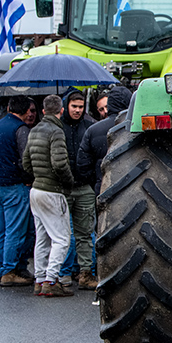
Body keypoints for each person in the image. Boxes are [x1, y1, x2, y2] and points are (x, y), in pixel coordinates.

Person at [24, 94, 76, 297]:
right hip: (52, 192)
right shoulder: (56, 132)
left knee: (42, 238)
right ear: (61, 111)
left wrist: (38, 174)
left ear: (43, 111)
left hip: (35, 190)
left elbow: (26, 162)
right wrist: (69, 182)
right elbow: (60, 164)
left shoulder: (34, 130)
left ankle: (39, 279)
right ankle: (51, 281)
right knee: (62, 239)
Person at [0, 96, 37, 286]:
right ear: (25, 111)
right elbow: (25, 159)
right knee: (15, 230)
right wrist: (28, 179)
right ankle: (9, 271)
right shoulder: (20, 129)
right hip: (14, 185)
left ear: (8, 107)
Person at [60, 90, 97, 288]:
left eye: (81, 107)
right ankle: (64, 273)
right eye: (74, 106)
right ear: (66, 106)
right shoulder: (58, 128)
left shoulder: (89, 127)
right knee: (64, 234)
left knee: (84, 233)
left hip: (84, 187)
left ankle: (85, 273)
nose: (77, 110)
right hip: (64, 188)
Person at [77, 86, 132, 195]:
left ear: (110, 104)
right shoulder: (137, 126)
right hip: (132, 185)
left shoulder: (93, 130)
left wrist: (98, 182)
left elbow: (83, 165)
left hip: (104, 189)